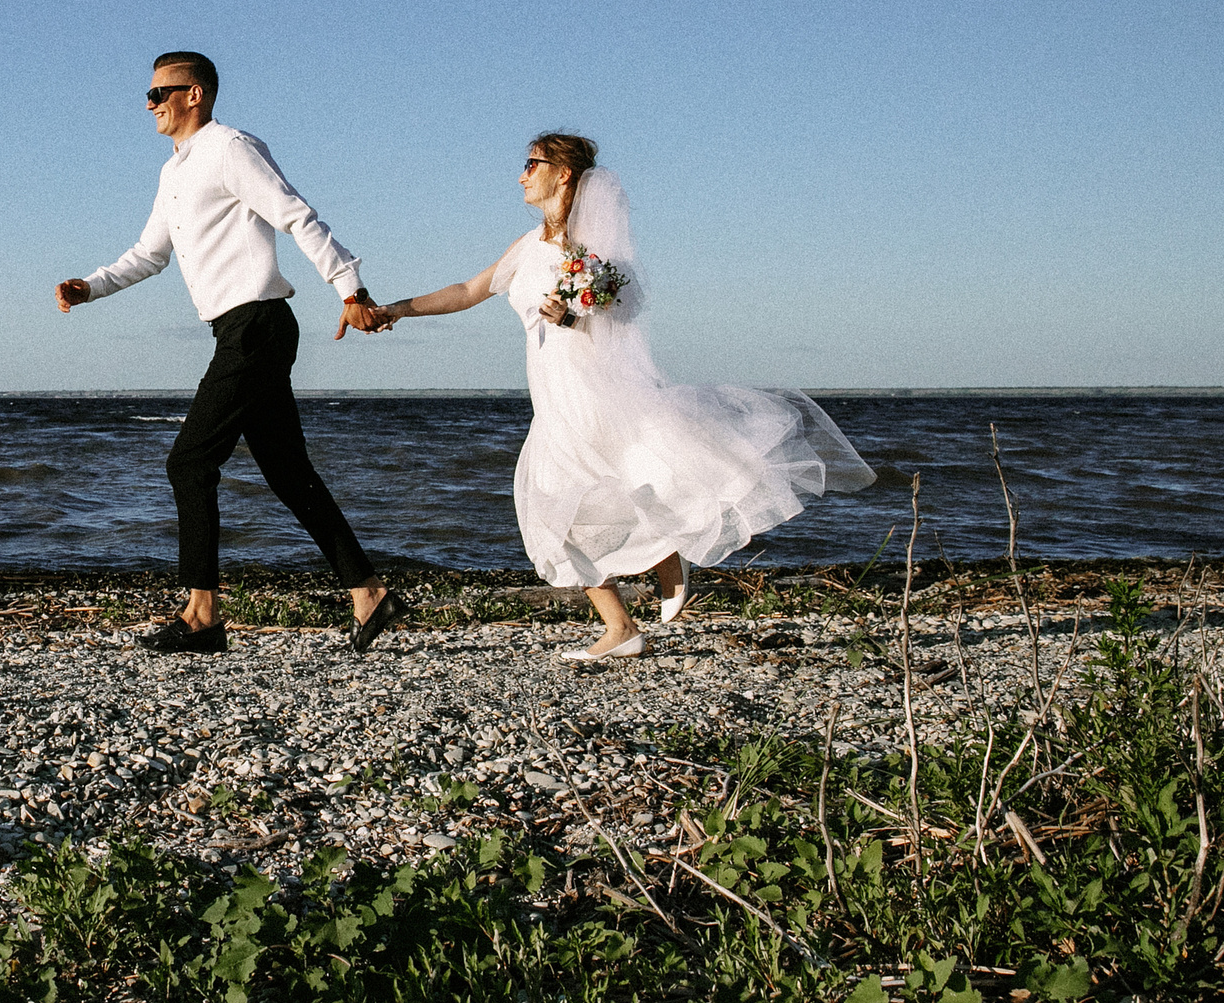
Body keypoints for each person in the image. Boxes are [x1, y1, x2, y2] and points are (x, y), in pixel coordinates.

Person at [365, 132, 871, 659]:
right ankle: (632, 611)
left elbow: (623, 307)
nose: (521, 174)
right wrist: (396, 309)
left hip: (589, 393)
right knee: (565, 508)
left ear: (563, 173)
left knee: (555, 508)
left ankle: (647, 583)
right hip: (553, 396)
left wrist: (577, 312)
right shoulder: (526, 245)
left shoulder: (591, 250)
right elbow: (469, 291)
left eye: (531, 163)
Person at [56, 53, 410, 656]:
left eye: (158, 91)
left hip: (258, 326)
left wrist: (350, 288)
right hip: (238, 330)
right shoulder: (174, 172)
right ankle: (368, 591)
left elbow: (297, 215)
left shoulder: (230, 148)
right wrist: (91, 287)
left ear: (193, 93)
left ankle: (202, 615)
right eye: (146, 93)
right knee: (287, 471)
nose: (148, 103)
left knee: (189, 462)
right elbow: (150, 253)